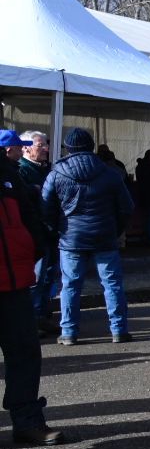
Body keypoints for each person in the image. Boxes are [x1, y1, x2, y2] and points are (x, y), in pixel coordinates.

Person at [41, 128, 133, 345]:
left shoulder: (56, 173)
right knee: (112, 284)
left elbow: (46, 207)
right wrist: (115, 230)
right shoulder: (110, 172)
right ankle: (119, 329)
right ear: (91, 146)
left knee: (70, 285)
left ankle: (69, 332)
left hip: (71, 237)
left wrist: (57, 231)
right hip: (104, 236)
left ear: (68, 148)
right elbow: (127, 207)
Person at [0, 153, 63, 444]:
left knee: (25, 352)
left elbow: (28, 214)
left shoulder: (7, 170)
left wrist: (33, 247)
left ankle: (26, 421)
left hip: (14, 283)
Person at [16, 132, 56, 335]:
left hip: (48, 232)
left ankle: (41, 315)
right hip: (34, 232)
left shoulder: (46, 170)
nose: (46, 149)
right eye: (40, 145)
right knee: (35, 278)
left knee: (47, 278)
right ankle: (31, 321)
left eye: (45, 145)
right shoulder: (22, 171)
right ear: (25, 148)